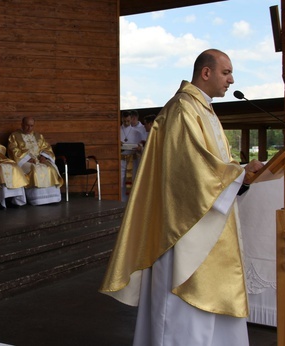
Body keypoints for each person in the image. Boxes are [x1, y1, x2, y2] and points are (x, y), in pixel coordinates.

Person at [100, 49, 264, 345]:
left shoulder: (204, 109)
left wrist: (240, 171)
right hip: (184, 228)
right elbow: (188, 169)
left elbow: (211, 165)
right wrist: (238, 174)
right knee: (182, 314)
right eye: (226, 72)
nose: (231, 79)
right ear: (206, 73)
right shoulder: (182, 109)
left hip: (208, 222)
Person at [7, 116, 63, 205]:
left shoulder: (38, 136)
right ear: (22, 124)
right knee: (35, 170)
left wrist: (44, 156)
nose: (29, 128)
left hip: (40, 159)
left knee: (51, 168)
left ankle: (52, 198)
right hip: (24, 161)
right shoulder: (14, 135)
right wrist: (27, 158)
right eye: (27, 125)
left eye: (32, 126)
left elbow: (46, 148)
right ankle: (36, 199)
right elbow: (12, 149)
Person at [120, 112, 145, 202]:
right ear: (122, 119)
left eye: (128, 121)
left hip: (132, 160)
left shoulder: (137, 133)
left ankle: (131, 204)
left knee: (132, 182)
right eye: (124, 120)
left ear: (131, 119)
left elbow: (141, 146)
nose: (126, 122)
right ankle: (121, 203)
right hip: (121, 160)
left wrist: (139, 148)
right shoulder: (117, 131)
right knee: (121, 183)